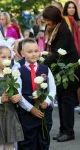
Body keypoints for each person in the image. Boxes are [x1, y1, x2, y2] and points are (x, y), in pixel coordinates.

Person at [0, 45, 32, 150]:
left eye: (9, 57)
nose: (7, 60)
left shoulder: (12, 76)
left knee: (10, 145)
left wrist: (17, 97)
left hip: (10, 113)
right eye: (3, 57)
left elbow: (17, 93)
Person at [42, 5, 80, 142]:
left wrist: (44, 62)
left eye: (48, 20)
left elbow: (58, 51)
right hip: (60, 68)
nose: (46, 23)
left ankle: (69, 132)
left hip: (69, 69)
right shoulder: (55, 27)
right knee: (62, 100)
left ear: (54, 18)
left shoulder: (63, 29)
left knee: (67, 101)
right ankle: (62, 130)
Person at [17, 38, 56, 150]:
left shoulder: (45, 69)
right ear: (22, 53)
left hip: (44, 112)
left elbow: (52, 89)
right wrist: (31, 109)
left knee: (44, 141)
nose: (34, 54)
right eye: (30, 52)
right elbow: (19, 94)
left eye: (36, 51)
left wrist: (47, 102)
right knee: (28, 142)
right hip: (27, 113)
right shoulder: (19, 71)